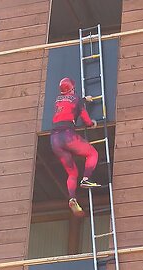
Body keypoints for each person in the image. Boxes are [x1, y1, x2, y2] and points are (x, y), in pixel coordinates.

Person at [50, 77, 100, 217]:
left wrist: (83, 99)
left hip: (54, 140)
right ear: (72, 87)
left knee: (72, 173)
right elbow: (85, 118)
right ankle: (86, 179)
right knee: (92, 153)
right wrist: (92, 124)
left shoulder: (58, 99)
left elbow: (69, 103)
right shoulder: (76, 99)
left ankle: (72, 197)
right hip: (67, 136)